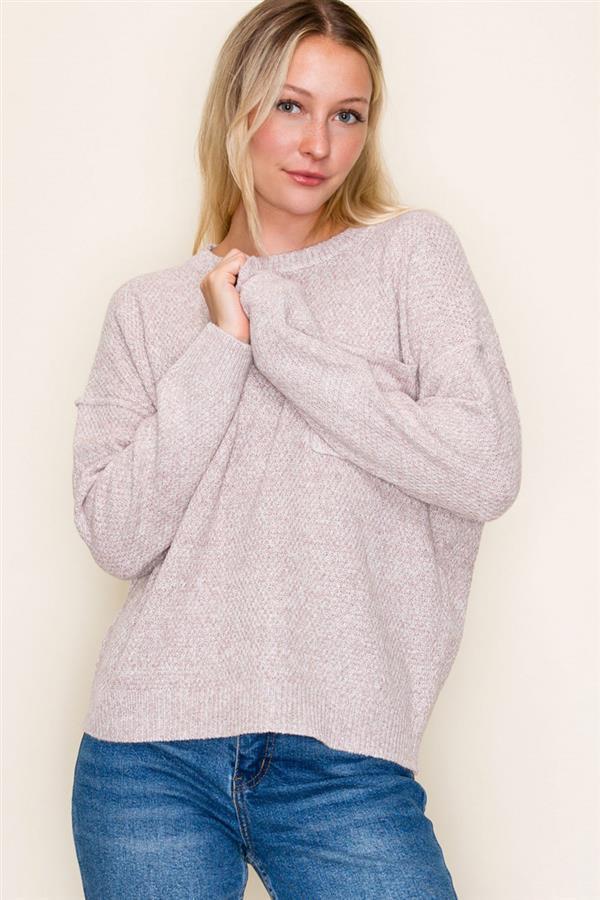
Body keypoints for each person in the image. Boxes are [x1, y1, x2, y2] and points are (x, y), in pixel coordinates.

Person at [70, 1, 522, 897]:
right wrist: (220, 343)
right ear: (236, 109)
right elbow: (116, 536)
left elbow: (484, 468)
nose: (319, 142)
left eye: (347, 114)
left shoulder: (412, 256)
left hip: (344, 762)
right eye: (290, 105)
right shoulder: (146, 309)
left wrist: (276, 329)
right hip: (147, 759)